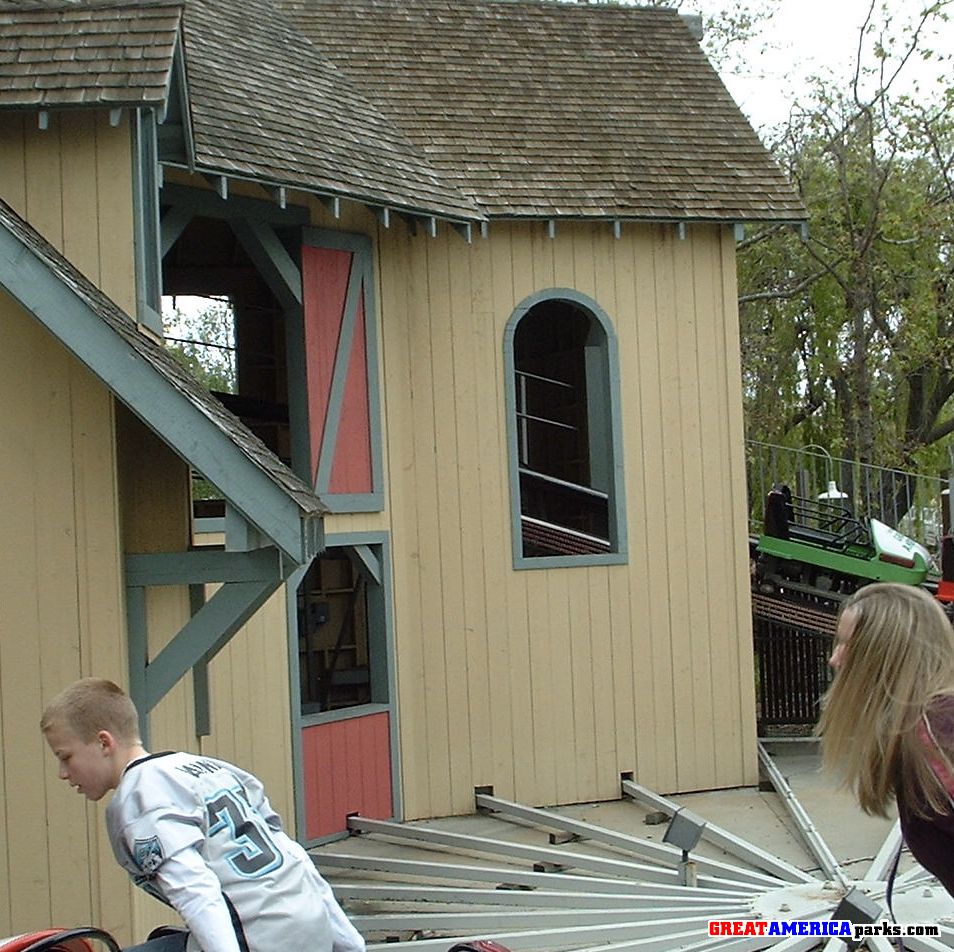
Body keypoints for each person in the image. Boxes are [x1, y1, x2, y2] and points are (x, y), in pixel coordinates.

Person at [40, 678, 366, 952]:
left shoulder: (140, 795)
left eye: (65, 757)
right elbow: (292, 856)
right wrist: (350, 944)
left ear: (103, 743)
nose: (62, 773)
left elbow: (196, 891)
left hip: (256, 938)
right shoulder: (210, 769)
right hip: (309, 929)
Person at [816, 582, 954, 896]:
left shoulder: (935, 731)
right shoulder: (918, 727)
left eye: (847, 645)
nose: (835, 659)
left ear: (885, 653)